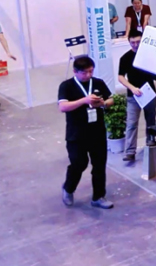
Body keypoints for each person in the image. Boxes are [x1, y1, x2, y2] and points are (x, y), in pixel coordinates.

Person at [58, 55, 114, 209]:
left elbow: (111, 99)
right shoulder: (67, 86)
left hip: (97, 132)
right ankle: (68, 188)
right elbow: (63, 107)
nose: (88, 75)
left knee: (99, 165)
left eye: (91, 71)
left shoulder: (98, 83)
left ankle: (98, 196)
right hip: (76, 134)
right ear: (75, 72)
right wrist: (85, 100)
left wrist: (103, 103)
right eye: (84, 72)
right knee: (79, 163)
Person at [118, 31, 156, 162]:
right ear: (129, 42)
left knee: (150, 119)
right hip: (133, 95)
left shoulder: (149, 56)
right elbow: (120, 77)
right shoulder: (125, 58)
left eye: (138, 42)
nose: (135, 45)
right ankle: (130, 151)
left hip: (149, 93)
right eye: (133, 42)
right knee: (131, 123)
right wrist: (132, 88)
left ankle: (150, 141)